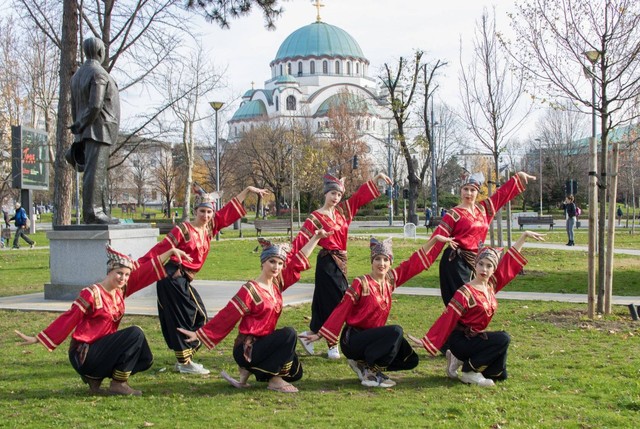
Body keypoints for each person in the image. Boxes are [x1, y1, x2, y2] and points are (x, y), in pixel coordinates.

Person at [14, 244, 191, 396]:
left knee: (145, 359)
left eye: (127, 275)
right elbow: (70, 317)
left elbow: (145, 272)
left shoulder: (120, 291)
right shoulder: (91, 293)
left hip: (103, 348)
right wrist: (40, 337)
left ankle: (95, 377)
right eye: (119, 273)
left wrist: (170, 252)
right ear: (109, 272)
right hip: (84, 352)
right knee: (135, 333)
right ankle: (117, 384)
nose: (123, 278)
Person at [178, 229, 332, 393]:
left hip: (265, 345)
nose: (276, 267)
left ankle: (248, 371)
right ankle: (272, 379)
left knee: (295, 371)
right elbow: (227, 315)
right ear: (263, 262)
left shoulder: (276, 285)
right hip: (247, 348)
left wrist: (315, 237)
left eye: (280, 263)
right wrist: (200, 334)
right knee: (289, 334)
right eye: (272, 262)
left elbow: (298, 262)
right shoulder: (250, 290)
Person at [139, 184, 268, 375]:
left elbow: (228, 211)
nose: (206, 216)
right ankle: (185, 362)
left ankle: (184, 359)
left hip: (182, 281)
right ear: (195, 211)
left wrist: (247, 190)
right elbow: (159, 250)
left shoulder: (209, 229)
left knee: (197, 316)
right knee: (185, 317)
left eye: (209, 212)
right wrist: (136, 268)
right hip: (172, 277)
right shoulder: (183, 230)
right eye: (202, 211)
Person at [299, 234, 455, 388]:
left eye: (386, 259)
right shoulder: (361, 283)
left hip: (374, 339)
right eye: (377, 259)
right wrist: (320, 333)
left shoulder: (390, 281)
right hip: (353, 339)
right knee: (396, 331)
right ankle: (369, 371)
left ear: (390, 262)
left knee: (410, 358)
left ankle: (364, 365)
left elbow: (413, 263)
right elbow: (341, 309)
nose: (382, 263)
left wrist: (434, 240)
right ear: (371, 262)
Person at [410, 230, 545, 387]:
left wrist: (523, 237)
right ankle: (468, 371)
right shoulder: (465, 292)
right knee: (503, 338)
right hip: (460, 340)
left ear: (494, 269)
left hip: (475, 338)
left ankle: (458, 360)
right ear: (475, 265)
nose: (484, 269)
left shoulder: (490, 286)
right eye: (481, 264)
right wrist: (427, 341)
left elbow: (509, 263)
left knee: (499, 374)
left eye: (489, 266)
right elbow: (447, 318)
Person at [293, 172, 393, 360]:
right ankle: (332, 344)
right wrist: (287, 258)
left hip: (342, 261)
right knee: (339, 301)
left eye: (339, 195)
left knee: (324, 302)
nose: (336, 198)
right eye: (332, 194)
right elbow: (300, 240)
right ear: (325, 194)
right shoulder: (315, 217)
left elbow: (358, 198)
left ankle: (309, 335)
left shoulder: (343, 213)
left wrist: (376, 178)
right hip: (327, 262)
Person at [428, 171, 535, 306]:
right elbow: (437, 238)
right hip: (455, 262)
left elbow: (501, 195)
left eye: (472, 190)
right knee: (463, 301)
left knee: (476, 299)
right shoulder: (453, 214)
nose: (469, 193)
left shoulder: (484, 209)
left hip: (476, 261)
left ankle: (470, 326)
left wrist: (517, 177)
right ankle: (456, 326)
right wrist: (420, 261)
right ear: (460, 191)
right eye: (465, 189)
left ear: (477, 192)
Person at [67, 37, 120, 224]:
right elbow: (95, 104)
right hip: (99, 129)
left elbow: (74, 106)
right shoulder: (99, 74)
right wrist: (82, 124)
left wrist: (78, 128)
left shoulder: (76, 76)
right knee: (94, 172)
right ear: (100, 52)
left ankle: (101, 210)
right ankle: (93, 212)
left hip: (87, 130)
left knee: (98, 172)